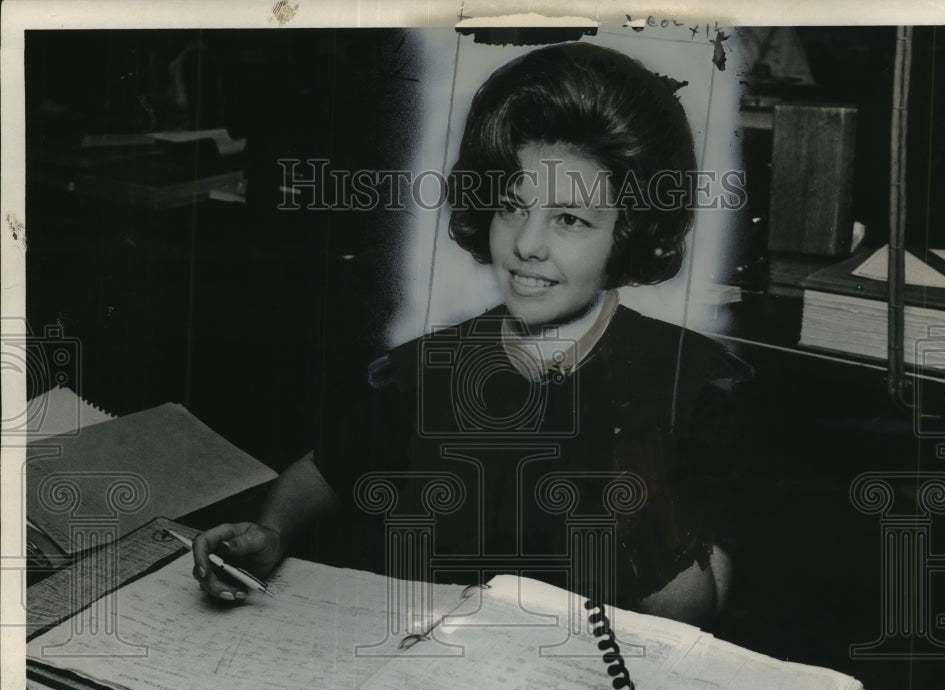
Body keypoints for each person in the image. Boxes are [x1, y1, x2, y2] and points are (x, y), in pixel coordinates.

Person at [192, 42, 751, 626]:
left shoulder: (695, 385)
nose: (527, 244)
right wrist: (273, 530)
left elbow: (700, 609)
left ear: (629, 234)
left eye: (569, 218)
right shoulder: (430, 367)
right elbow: (325, 469)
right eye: (512, 206)